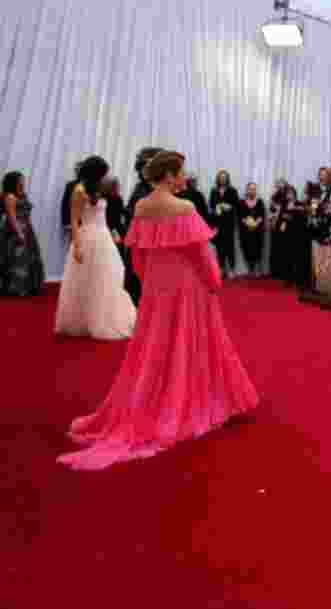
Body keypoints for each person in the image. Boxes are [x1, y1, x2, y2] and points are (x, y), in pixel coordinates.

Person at [58, 151, 259, 471]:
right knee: (189, 342)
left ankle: (160, 399)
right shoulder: (184, 208)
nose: (184, 177)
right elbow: (201, 255)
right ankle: (190, 401)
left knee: (155, 346)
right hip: (189, 288)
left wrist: (149, 282)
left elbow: (136, 255)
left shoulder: (141, 207)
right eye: (180, 173)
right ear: (168, 175)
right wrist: (214, 281)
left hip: (156, 287)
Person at [54, 156, 137, 340]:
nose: (106, 175)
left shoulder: (99, 188)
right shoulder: (79, 190)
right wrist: (77, 246)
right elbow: (74, 220)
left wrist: (113, 232)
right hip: (87, 237)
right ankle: (87, 319)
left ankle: (104, 315)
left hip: (103, 237)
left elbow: (106, 215)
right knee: (88, 279)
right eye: (104, 172)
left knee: (108, 277)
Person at [124, 147, 164, 305]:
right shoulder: (139, 188)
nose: (146, 170)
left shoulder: (161, 189)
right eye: (143, 167)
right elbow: (131, 214)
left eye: (150, 167)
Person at [1, 171, 45, 296]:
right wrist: (19, 233)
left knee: (29, 257)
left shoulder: (22, 195)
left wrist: (28, 230)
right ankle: (15, 288)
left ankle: (28, 286)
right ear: (13, 182)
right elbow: (11, 217)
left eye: (23, 180)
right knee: (17, 259)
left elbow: (27, 214)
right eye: (20, 180)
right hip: (14, 230)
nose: (23, 182)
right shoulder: (10, 197)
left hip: (27, 229)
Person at [210, 170, 240, 276]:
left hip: (229, 223)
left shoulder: (232, 190)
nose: (222, 179)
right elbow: (211, 205)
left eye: (224, 177)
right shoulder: (214, 191)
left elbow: (237, 205)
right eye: (221, 177)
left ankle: (231, 269)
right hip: (218, 223)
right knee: (219, 247)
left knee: (229, 246)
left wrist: (229, 207)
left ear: (227, 179)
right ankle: (221, 269)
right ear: (218, 179)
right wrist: (216, 208)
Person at [237, 182, 266, 276]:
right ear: (247, 190)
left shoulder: (260, 201)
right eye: (250, 189)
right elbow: (240, 216)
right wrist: (247, 223)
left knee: (257, 249)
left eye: (254, 189)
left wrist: (255, 224)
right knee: (246, 249)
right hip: (245, 231)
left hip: (257, 231)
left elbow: (262, 215)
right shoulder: (241, 202)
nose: (252, 191)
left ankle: (257, 269)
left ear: (256, 191)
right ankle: (250, 269)